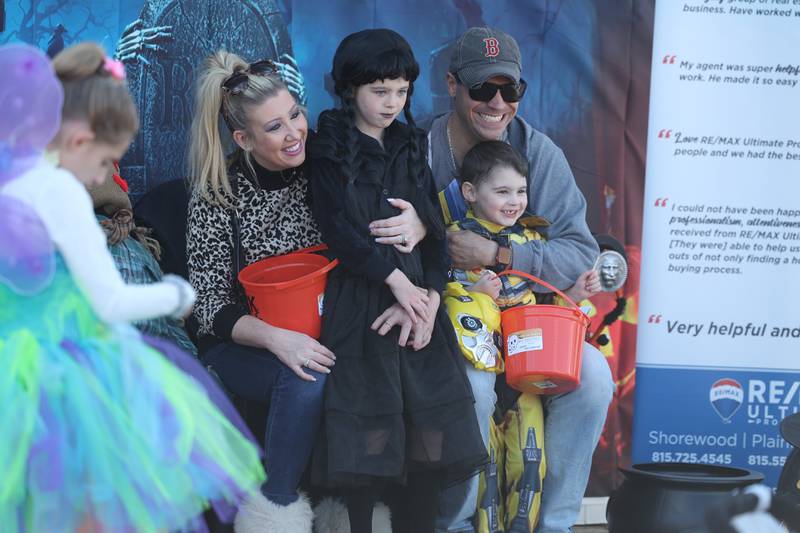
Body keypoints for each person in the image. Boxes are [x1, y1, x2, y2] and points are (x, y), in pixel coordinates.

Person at [0, 42, 265, 532]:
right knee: (96, 500)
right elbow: (111, 300)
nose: (106, 177)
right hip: (62, 373)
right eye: (105, 163)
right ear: (78, 141)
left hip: (11, 372)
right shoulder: (59, 192)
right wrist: (177, 296)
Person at [428, 27, 615, 533]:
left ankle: (551, 524)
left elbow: (580, 252)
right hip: (446, 322)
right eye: (481, 89)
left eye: (509, 90)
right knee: (475, 387)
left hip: (523, 326)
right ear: (451, 84)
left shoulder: (541, 154)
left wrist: (500, 252)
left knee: (595, 376)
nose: (496, 102)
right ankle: (458, 522)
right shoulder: (421, 150)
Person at [308, 29, 487, 533]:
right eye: (379, 91)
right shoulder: (331, 145)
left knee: (431, 433)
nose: (391, 103)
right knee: (370, 435)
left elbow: (434, 231)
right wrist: (396, 284)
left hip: (419, 307)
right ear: (349, 90)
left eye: (402, 91)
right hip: (362, 304)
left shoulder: (411, 143)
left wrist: (429, 297)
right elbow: (339, 231)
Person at [186, 50, 335, 532]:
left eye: (295, 114)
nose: (294, 133)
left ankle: (351, 508)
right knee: (304, 374)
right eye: (274, 128)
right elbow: (208, 306)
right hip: (241, 344)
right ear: (243, 139)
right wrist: (277, 339)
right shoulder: (217, 192)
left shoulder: (325, 172)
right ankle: (272, 510)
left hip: (324, 323)